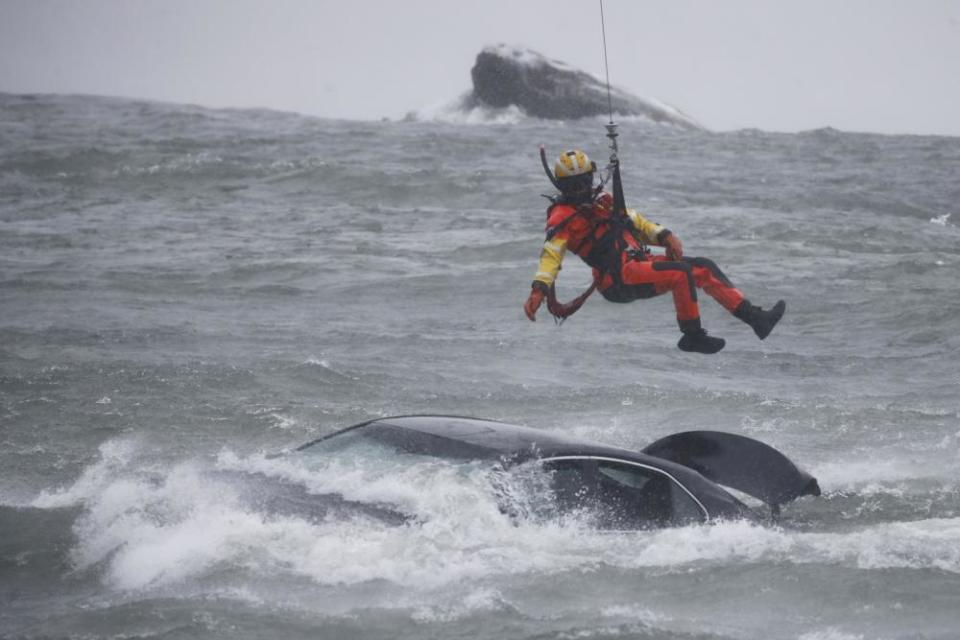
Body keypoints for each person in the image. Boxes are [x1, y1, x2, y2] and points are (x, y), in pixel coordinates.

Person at [523, 149, 785, 354]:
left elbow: (636, 222)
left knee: (702, 268)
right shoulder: (562, 218)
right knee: (681, 274)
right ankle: (692, 336)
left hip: (638, 265)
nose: (582, 190)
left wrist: (665, 235)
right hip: (617, 280)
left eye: (585, 182)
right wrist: (539, 289)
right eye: (574, 186)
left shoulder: (603, 201)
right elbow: (551, 256)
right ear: (563, 188)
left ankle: (756, 319)